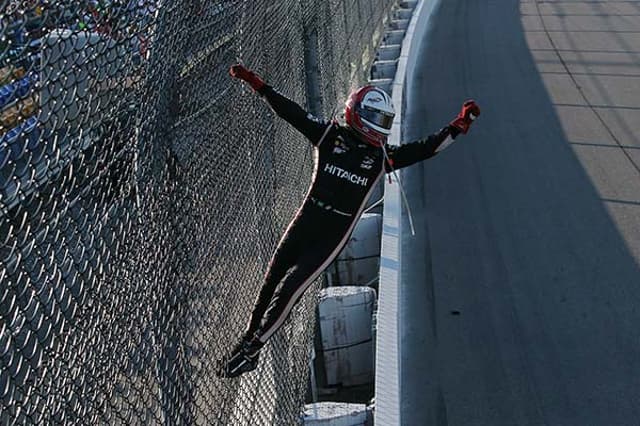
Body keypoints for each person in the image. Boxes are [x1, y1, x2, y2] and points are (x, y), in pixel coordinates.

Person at [217, 64, 480, 378]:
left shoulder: (382, 158)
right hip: (304, 221)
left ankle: (253, 348)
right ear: (358, 112)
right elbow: (293, 113)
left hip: (331, 237)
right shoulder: (330, 136)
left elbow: (425, 149)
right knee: (270, 279)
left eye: (386, 122)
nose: (381, 127)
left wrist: (459, 125)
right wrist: (259, 86)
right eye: (378, 119)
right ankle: (248, 335)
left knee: (289, 289)